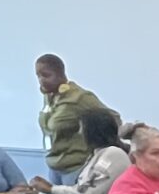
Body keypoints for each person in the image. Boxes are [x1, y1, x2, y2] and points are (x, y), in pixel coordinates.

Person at [33, 111, 130, 194]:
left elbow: (87, 193)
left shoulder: (113, 154)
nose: (79, 133)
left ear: (92, 131)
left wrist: (51, 189)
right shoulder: (98, 154)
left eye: (81, 128)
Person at [34, 53, 112, 186]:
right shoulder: (49, 97)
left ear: (60, 74)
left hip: (76, 168)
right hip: (54, 167)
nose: (41, 80)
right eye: (38, 75)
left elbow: (111, 119)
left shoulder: (80, 98)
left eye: (46, 75)